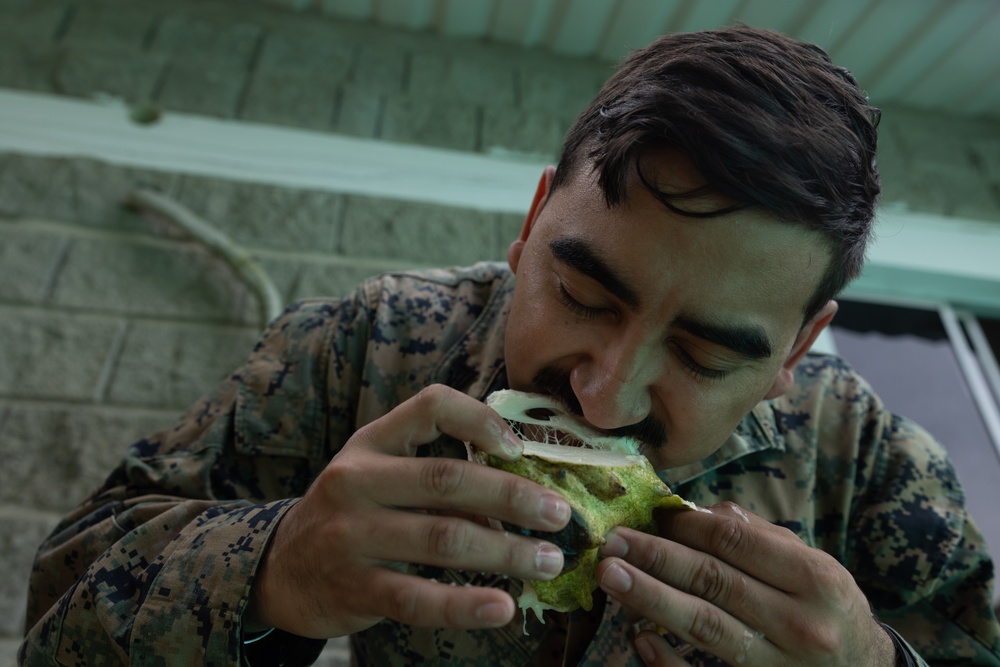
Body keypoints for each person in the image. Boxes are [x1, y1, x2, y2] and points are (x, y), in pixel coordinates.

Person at [19, 24, 1000, 667]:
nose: (607, 396)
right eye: (580, 292)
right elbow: (58, 614)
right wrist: (275, 566)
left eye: (706, 354)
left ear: (799, 345)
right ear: (531, 222)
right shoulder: (365, 348)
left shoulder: (870, 460)